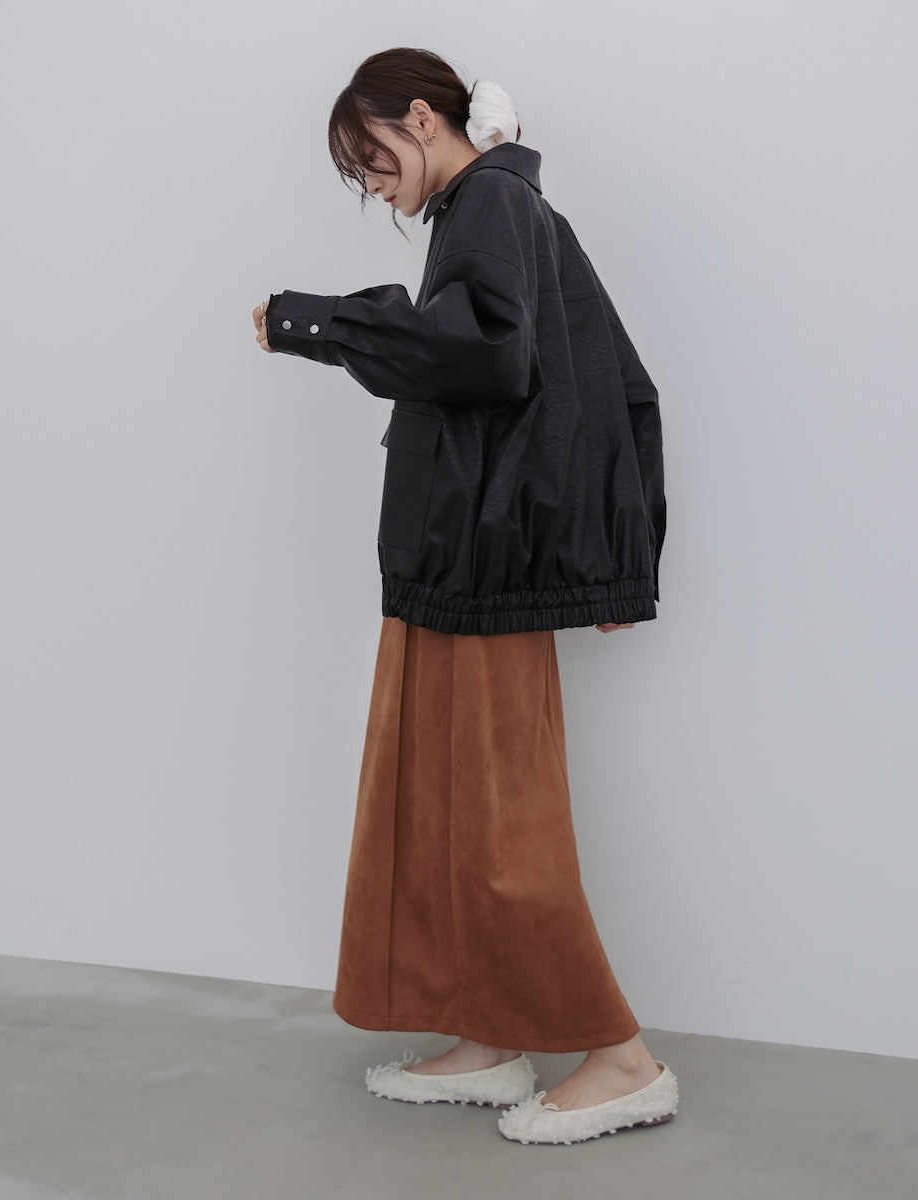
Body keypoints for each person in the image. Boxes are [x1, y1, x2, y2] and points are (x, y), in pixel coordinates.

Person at [251, 47, 677, 1146]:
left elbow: (484, 354)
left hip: (479, 570)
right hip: (452, 570)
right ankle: (489, 1037)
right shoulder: (493, 207)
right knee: (442, 811)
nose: (369, 182)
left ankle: (622, 1060)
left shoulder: (490, 202)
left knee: (498, 827)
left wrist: (315, 320)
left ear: (423, 118)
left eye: (370, 155)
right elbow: (610, 375)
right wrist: (621, 557)